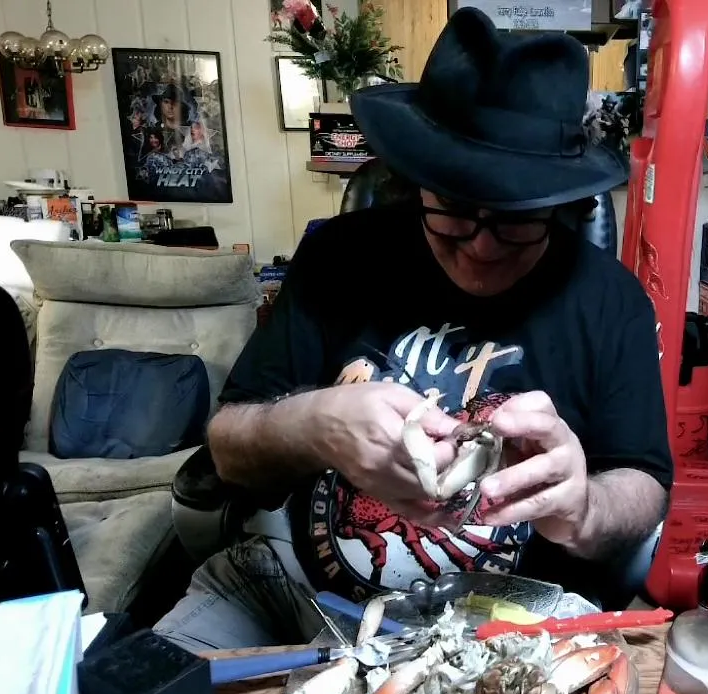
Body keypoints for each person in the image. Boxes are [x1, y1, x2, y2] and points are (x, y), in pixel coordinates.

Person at [154, 6, 672, 652]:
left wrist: (584, 508)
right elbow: (227, 449)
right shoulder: (337, 257)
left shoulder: (612, 302)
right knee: (135, 688)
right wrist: (313, 423)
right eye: (453, 206)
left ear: (561, 203)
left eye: (516, 216)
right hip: (290, 595)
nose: (481, 246)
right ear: (416, 182)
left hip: (507, 632)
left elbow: (644, 486)